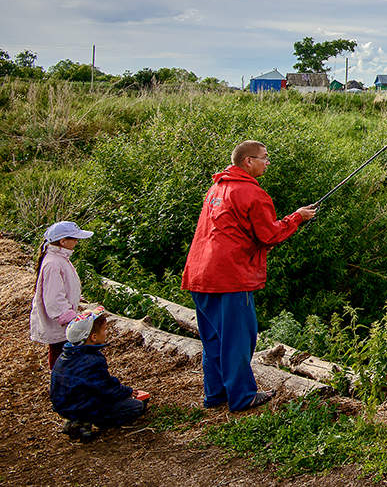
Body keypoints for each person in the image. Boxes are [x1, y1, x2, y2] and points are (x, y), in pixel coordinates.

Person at [181, 140, 316, 411]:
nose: (268, 162)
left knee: (213, 339)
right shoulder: (251, 194)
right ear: (248, 162)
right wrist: (298, 218)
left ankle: (215, 394)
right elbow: (270, 234)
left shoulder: (216, 188)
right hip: (229, 278)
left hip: (200, 274)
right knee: (239, 339)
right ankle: (243, 396)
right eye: (264, 158)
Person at [50, 308, 150, 441]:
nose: (106, 333)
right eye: (104, 330)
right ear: (93, 337)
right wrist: (127, 392)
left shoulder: (65, 355)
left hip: (63, 406)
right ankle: (89, 420)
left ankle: (77, 419)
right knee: (136, 407)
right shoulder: (93, 361)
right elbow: (106, 387)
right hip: (83, 405)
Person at [30, 221, 94, 370]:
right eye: (74, 238)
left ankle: (63, 386)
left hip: (63, 322)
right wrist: (70, 318)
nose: (77, 241)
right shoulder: (53, 263)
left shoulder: (59, 259)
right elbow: (53, 299)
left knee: (64, 358)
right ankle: (60, 388)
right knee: (60, 358)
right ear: (63, 241)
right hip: (60, 324)